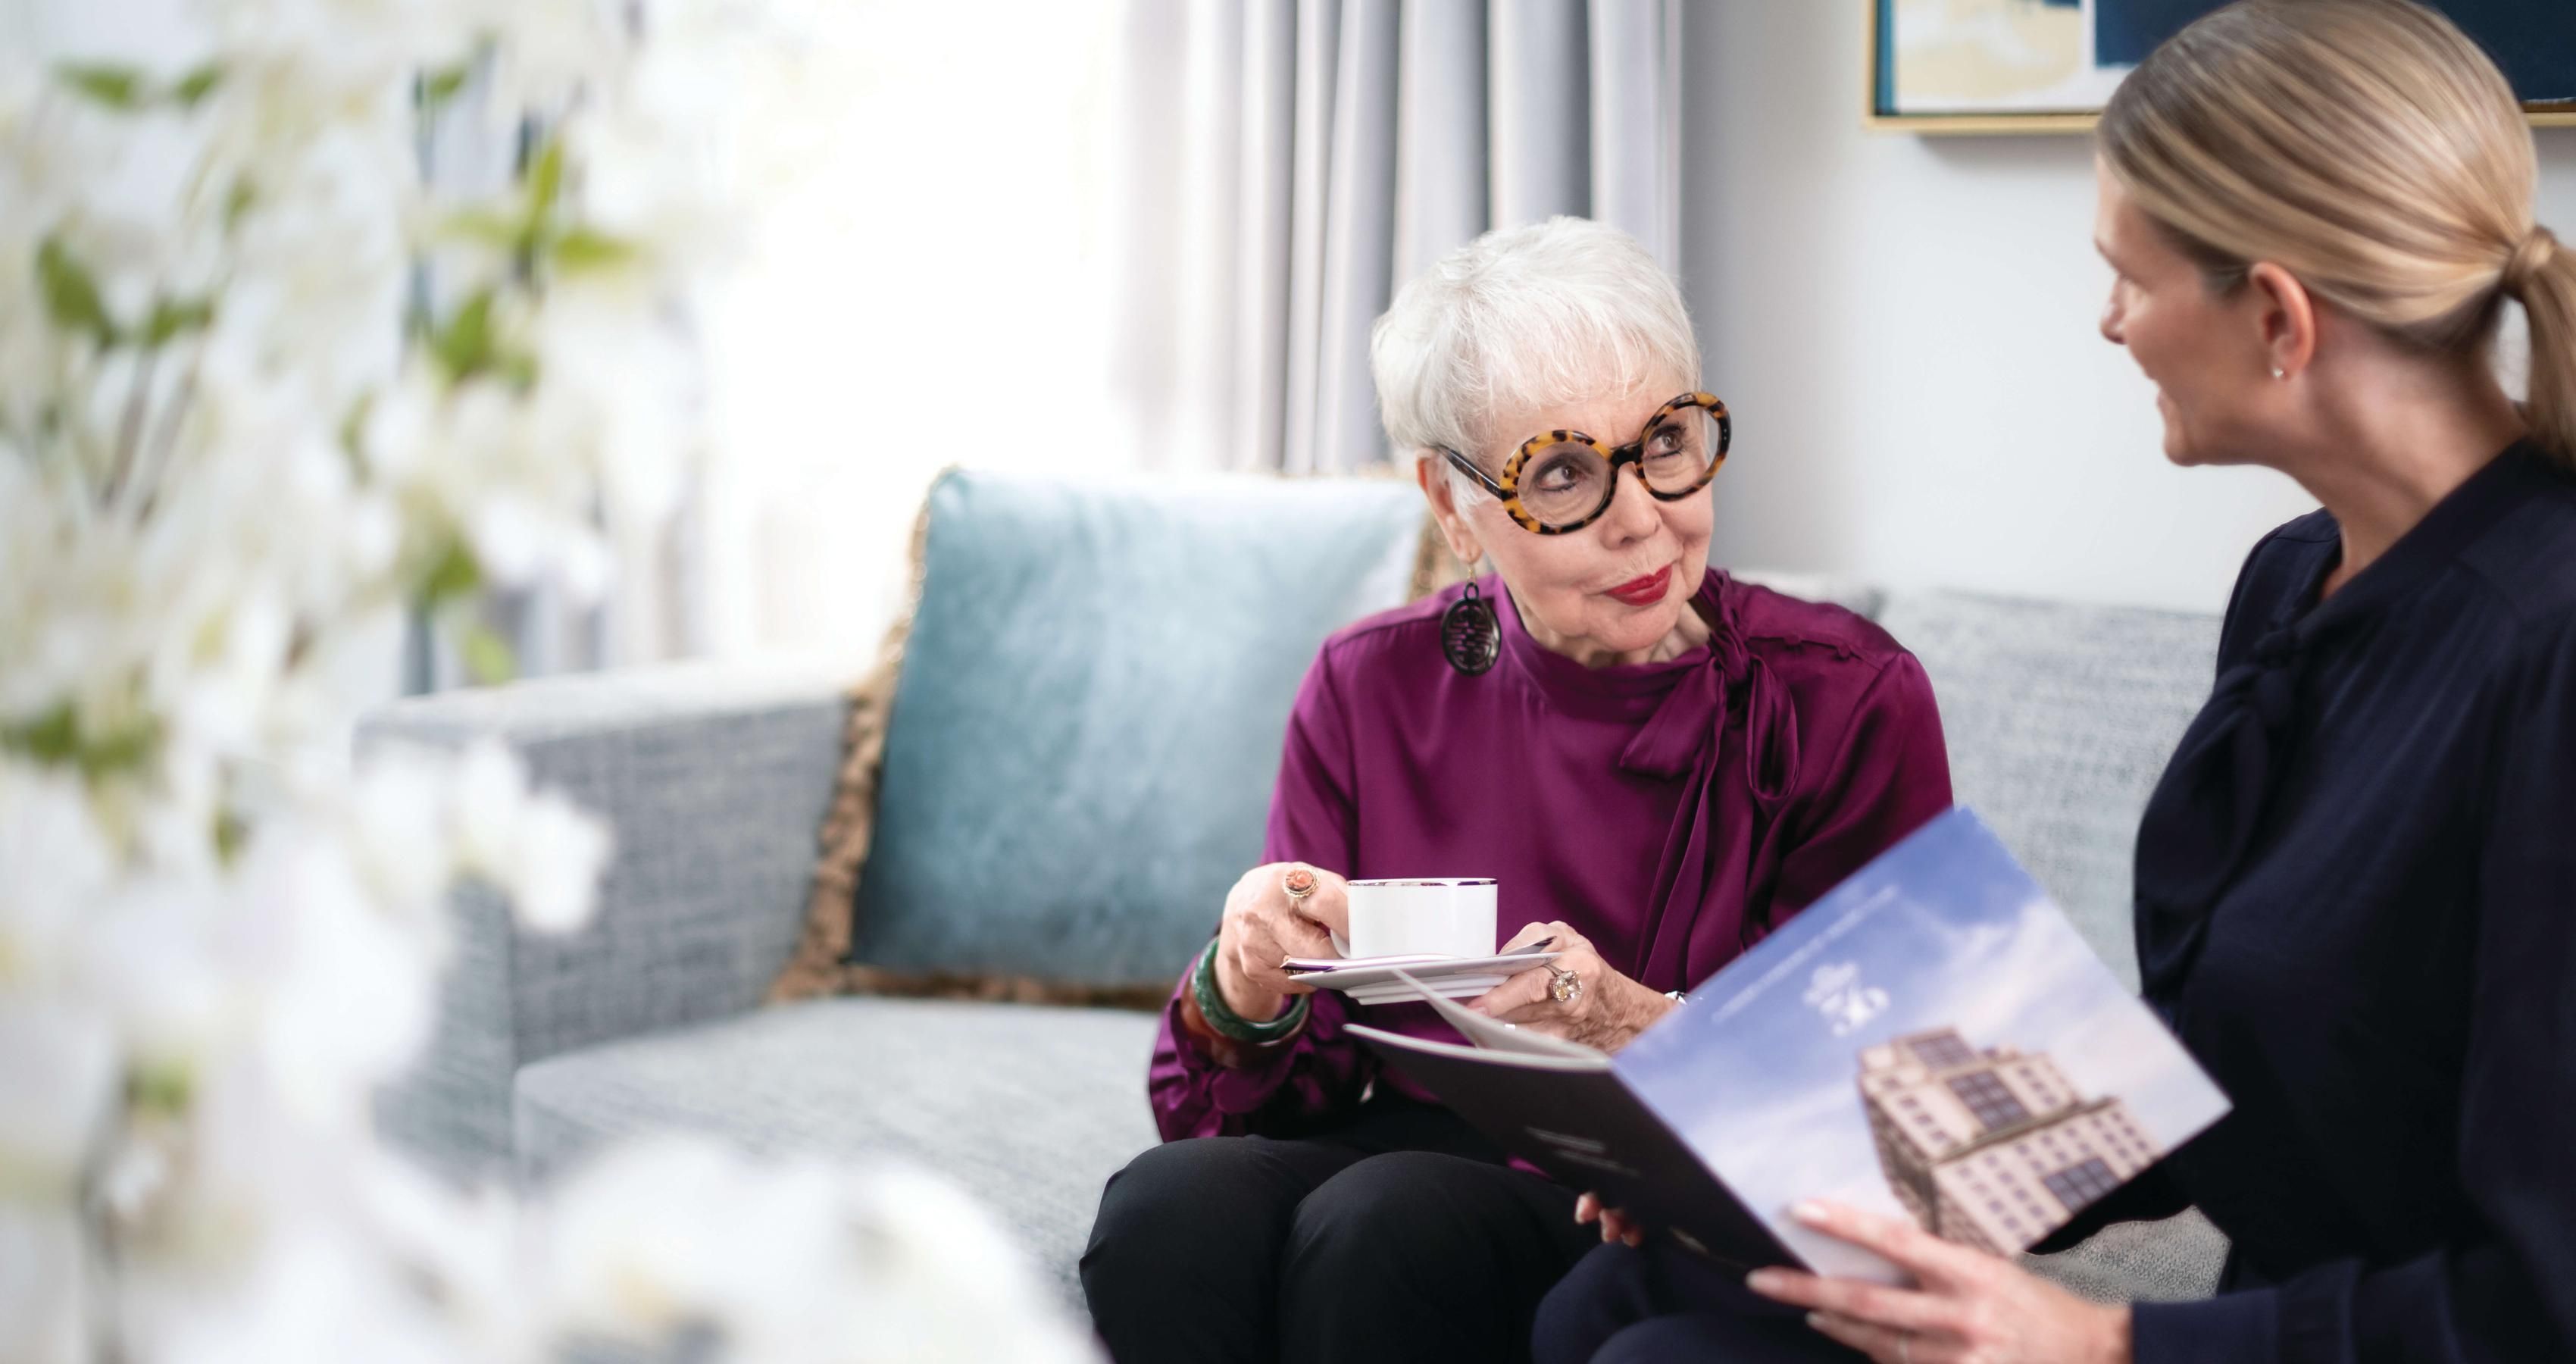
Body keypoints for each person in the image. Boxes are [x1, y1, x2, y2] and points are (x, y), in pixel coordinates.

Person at [1533, 3, 2576, 1361]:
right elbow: (2219, 1068)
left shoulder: (2545, 652)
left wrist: (2101, 1347)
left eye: (2128, 277)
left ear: (2275, 316)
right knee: (1632, 1295)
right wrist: (1769, 1148)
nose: (2108, 323)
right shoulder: (2294, 583)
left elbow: (2542, 1307)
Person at [1077, 216, 1954, 1364]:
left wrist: (1628, 1019)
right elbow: (1276, 1093)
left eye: (1668, 443)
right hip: (1406, 1151)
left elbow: (1894, 1103)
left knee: (1384, 1223)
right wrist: (1247, 987)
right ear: (1454, 506)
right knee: (1163, 1210)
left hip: (1671, 1201)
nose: (1641, 515)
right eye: (1563, 473)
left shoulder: (1843, 698)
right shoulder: (1368, 682)